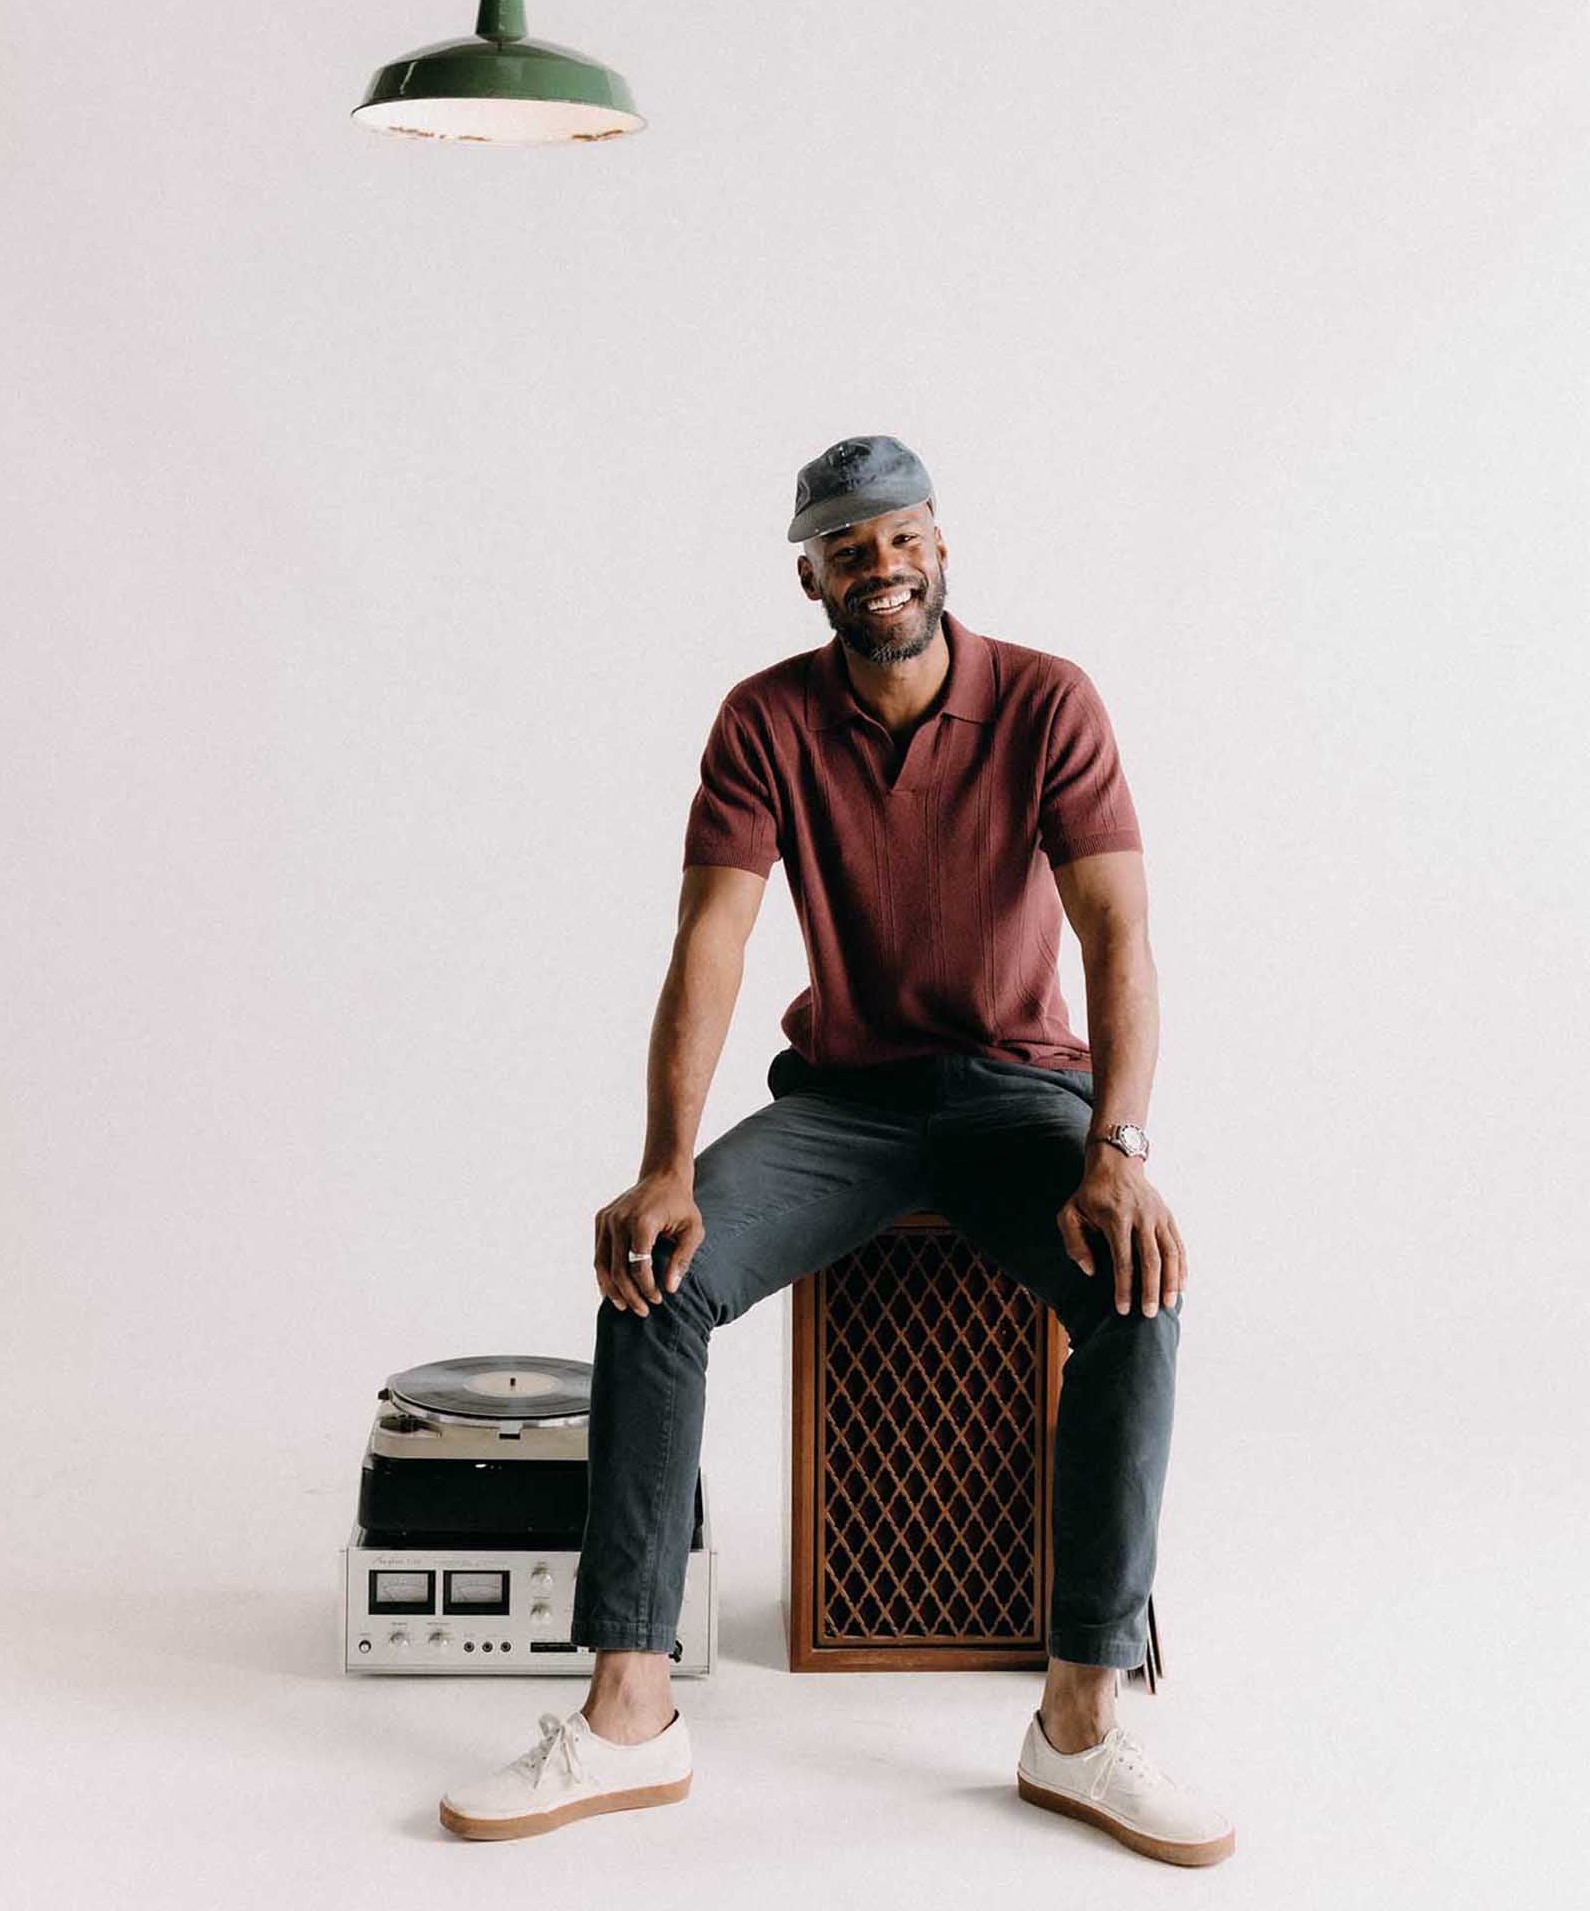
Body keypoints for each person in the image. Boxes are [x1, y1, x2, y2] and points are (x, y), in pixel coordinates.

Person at [438, 435, 1236, 1865]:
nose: (884, 566)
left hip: (1017, 1095)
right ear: (809, 575)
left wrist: (1117, 1146)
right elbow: (713, 939)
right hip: (845, 1104)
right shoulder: (764, 719)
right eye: (849, 548)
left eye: (904, 536)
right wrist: (666, 1163)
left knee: (1138, 1285)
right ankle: (629, 1709)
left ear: (943, 545)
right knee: (657, 1274)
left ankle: (1080, 1722)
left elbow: (1117, 929)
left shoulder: (1047, 700)